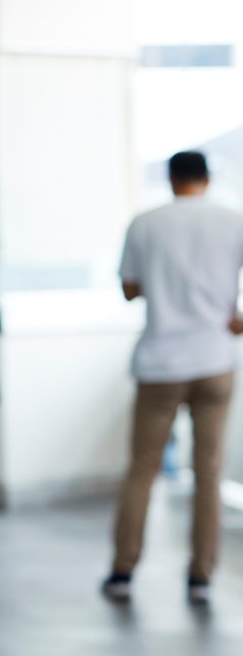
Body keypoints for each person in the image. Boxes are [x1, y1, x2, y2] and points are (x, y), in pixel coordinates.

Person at [105, 150, 243, 605]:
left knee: (143, 469)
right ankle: (201, 575)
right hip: (214, 360)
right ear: (207, 178)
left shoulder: (144, 223)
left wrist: (162, 283)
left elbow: (128, 289)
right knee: (208, 471)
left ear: (171, 179)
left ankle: (124, 570)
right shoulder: (231, 220)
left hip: (160, 363)